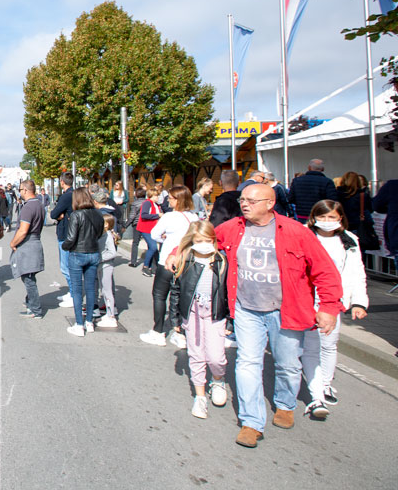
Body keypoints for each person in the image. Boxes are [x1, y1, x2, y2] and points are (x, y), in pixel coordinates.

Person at [189, 184, 344, 448]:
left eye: (251, 200)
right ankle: (251, 422)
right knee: (247, 363)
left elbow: (325, 271)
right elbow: (201, 239)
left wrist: (329, 308)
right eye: (242, 199)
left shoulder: (296, 232)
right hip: (246, 309)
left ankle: (285, 404)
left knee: (288, 364)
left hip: (285, 310)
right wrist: (175, 254)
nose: (244, 204)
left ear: (270, 203)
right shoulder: (233, 227)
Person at [300, 200, 369, 420]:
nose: (327, 221)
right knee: (309, 347)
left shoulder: (349, 240)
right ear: (314, 217)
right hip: (307, 299)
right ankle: (313, 390)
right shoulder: (304, 235)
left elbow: (356, 272)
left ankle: (325, 383)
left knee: (329, 344)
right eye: (322, 217)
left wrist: (359, 302)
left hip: (334, 300)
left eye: (332, 217)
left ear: (340, 219)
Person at [171, 220, 231, 419]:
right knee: (196, 355)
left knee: (216, 357)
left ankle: (218, 380)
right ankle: (200, 396)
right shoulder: (185, 260)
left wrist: (230, 319)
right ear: (191, 241)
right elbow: (176, 290)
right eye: (199, 240)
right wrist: (175, 319)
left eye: (207, 240)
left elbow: (229, 292)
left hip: (215, 314)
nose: (204, 244)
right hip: (193, 312)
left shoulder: (221, 261)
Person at [141, 185, 198, 348]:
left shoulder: (169, 217)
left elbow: (154, 234)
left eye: (171, 198)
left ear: (178, 200)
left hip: (167, 260)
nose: (168, 201)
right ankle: (180, 332)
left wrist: (165, 239)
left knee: (159, 295)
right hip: (186, 261)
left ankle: (158, 331)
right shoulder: (194, 217)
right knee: (180, 295)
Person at [60, 187, 104, 336]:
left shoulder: (76, 215)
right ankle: (89, 321)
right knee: (91, 289)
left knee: (78, 290)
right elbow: (99, 234)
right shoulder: (98, 214)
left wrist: (65, 246)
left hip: (77, 253)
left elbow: (71, 238)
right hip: (93, 252)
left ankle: (79, 324)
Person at [7, 179, 45, 318]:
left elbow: (23, 231)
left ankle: (35, 309)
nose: (19, 193)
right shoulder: (39, 204)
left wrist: (13, 243)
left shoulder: (28, 207)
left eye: (20, 190)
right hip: (35, 241)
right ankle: (31, 302)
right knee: (30, 276)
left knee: (28, 278)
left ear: (25, 190)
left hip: (28, 243)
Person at [49, 172, 75, 304]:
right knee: (71, 265)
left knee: (66, 267)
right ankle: (72, 292)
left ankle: (73, 295)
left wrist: (59, 214)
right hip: (73, 232)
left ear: (62, 182)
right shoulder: (76, 194)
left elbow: (54, 214)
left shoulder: (66, 196)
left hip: (65, 233)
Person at [97, 214, 120, 328]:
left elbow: (112, 253)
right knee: (104, 290)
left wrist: (100, 258)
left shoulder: (108, 236)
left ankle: (111, 316)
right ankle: (108, 313)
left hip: (106, 266)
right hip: (102, 265)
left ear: (106, 224)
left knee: (107, 291)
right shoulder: (103, 234)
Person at [135, 186, 162, 277]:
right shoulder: (147, 203)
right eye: (156, 196)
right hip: (146, 228)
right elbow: (144, 215)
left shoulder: (156, 204)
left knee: (154, 249)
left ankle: (154, 267)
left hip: (152, 229)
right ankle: (146, 266)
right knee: (153, 247)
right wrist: (157, 215)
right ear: (152, 195)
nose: (158, 197)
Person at [336, 171, 371, 235]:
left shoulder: (337, 194)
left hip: (340, 223)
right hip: (357, 224)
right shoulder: (362, 195)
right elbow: (370, 209)